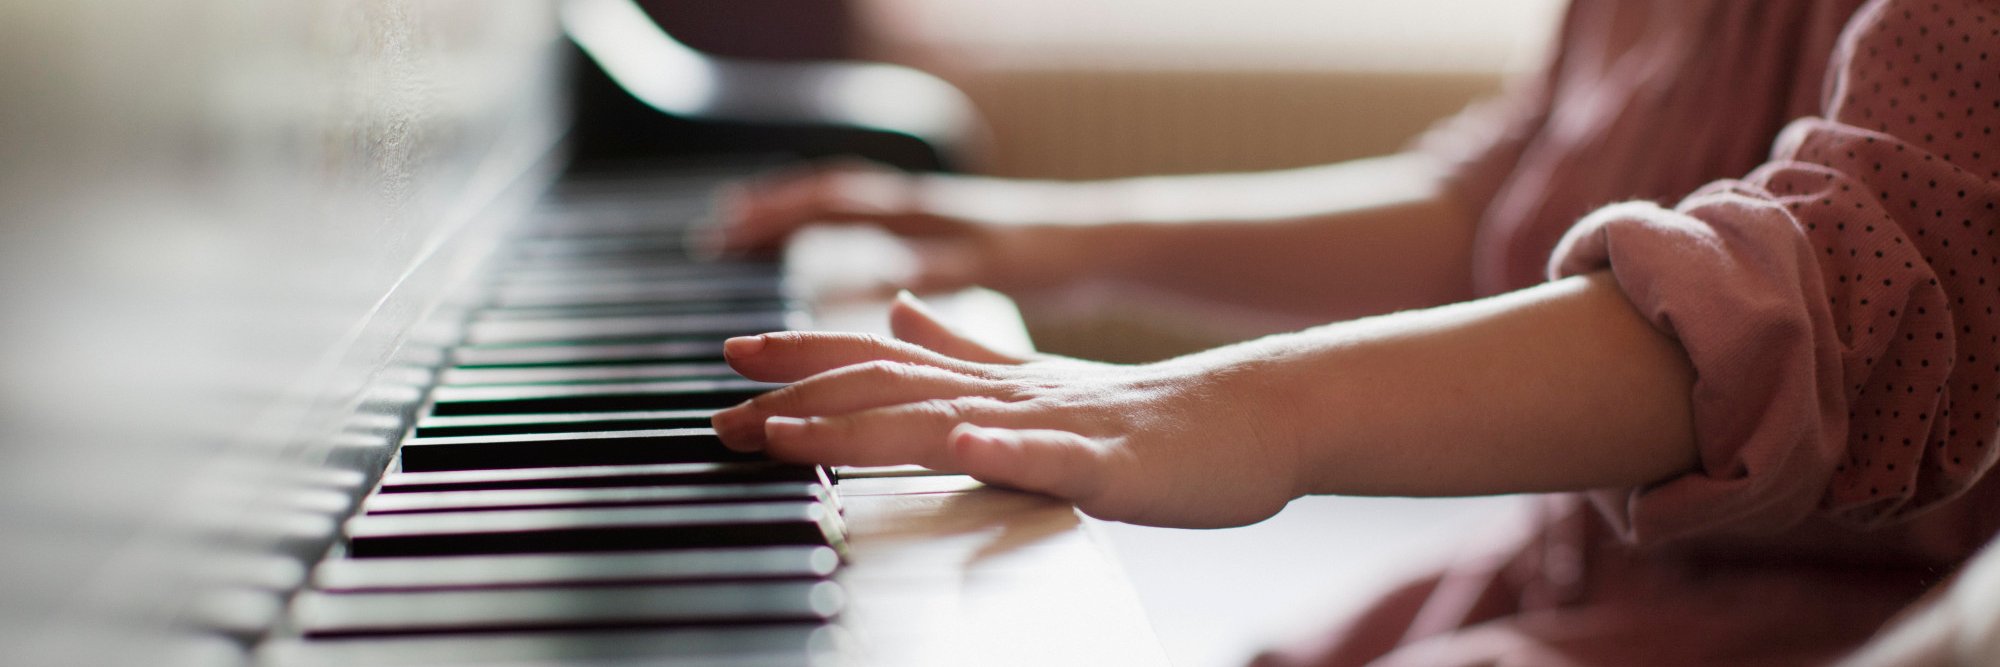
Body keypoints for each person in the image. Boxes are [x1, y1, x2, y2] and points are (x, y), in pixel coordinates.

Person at [702, 0, 2000, 664]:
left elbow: (1848, 301)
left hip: (1821, 624)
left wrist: (1242, 407)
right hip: (1577, 571)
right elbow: (1500, 193)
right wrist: (1068, 235)